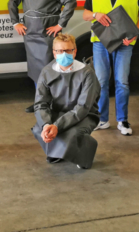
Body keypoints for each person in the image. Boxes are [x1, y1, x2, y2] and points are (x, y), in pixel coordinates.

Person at [83, 0, 139, 135]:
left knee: (122, 82)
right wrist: (96, 15)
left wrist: (135, 32)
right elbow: (85, 14)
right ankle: (102, 120)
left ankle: (123, 121)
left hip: (125, 42)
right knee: (101, 82)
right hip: (101, 42)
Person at [8, 0, 77, 113]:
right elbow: (13, 1)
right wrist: (15, 22)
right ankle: (40, 102)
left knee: (50, 68)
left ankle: (54, 103)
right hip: (30, 32)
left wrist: (60, 25)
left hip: (48, 32)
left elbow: (70, 1)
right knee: (35, 70)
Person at [32, 33, 100, 169]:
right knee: (38, 129)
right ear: (54, 53)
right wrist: (46, 124)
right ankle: (58, 152)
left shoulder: (87, 73)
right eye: (60, 51)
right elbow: (40, 103)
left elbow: (83, 106)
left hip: (84, 115)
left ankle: (84, 154)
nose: (64, 54)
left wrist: (57, 126)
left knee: (73, 133)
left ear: (75, 52)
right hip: (58, 112)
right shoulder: (47, 71)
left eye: (68, 50)